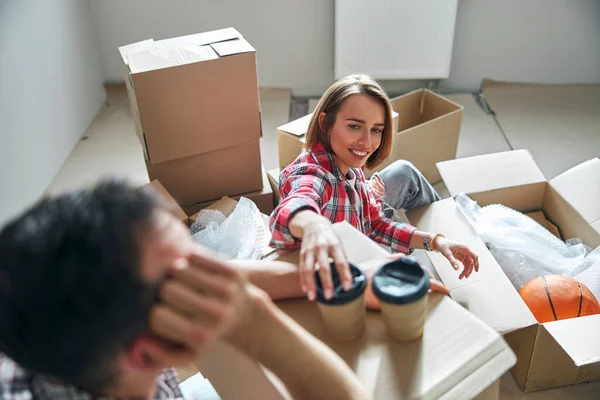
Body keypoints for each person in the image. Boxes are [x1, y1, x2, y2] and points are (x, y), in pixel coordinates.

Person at [0, 179, 370, 400]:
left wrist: (325, 280)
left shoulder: (45, 314)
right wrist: (259, 324)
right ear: (151, 353)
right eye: (192, 277)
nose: (219, 277)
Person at [270, 74, 480, 304]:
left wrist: (436, 241)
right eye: (354, 126)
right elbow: (295, 204)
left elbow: (377, 224)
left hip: (363, 234)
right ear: (325, 123)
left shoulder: (349, 166)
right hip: (348, 275)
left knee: (404, 172)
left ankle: (461, 237)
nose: (367, 142)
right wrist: (314, 225)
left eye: (376, 130)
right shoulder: (313, 174)